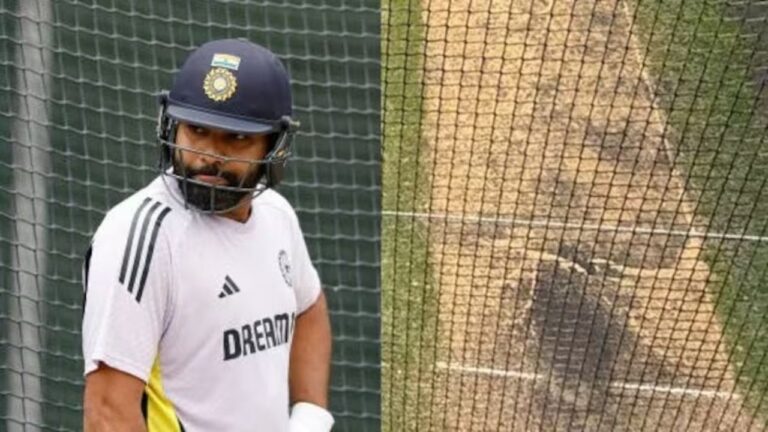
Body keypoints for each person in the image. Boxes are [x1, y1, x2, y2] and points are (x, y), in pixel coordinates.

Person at [81, 39, 334, 432]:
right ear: (171, 126)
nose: (209, 157)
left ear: (275, 146)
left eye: (236, 139)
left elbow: (309, 308)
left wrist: (310, 416)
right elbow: (107, 416)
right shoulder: (141, 237)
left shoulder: (277, 217)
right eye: (197, 130)